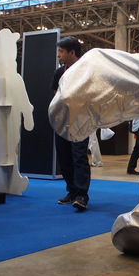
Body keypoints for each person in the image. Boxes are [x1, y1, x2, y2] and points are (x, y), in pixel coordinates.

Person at [51, 36, 90, 211]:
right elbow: (55, 95)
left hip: (81, 120)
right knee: (64, 156)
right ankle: (72, 191)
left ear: (72, 52)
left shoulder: (87, 70)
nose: (58, 55)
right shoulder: (59, 72)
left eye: (61, 51)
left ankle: (82, 195)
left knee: (79, 157)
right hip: (62, 122)